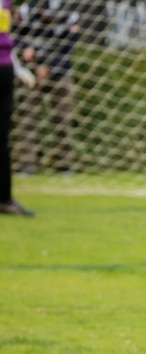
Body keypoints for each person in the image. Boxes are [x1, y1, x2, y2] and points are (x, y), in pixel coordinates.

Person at [14, 0, 80, 175]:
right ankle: (27, 166)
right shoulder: (27, 9)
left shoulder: (70, 14)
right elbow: (14, 36)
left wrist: (49, 66)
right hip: (31, 72)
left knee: (63, 119)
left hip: (60, 72)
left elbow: (68, 48)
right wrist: (25, 51)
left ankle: (64, 166)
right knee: (28, 119)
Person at [0, 0, 35, 216]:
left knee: (1, 140)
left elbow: (5, 38)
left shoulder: (6, 3)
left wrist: (18, 69)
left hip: (4, 72)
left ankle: (4, 199)